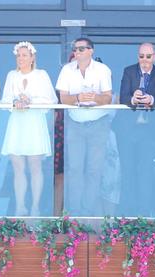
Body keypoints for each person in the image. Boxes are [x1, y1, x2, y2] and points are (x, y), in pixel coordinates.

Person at [56, 37, 113, 216]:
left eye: (81, 49)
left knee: (94, 169)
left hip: (98, 123)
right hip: (75, 123)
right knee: (74, 168)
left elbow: (108, 97)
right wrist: (79, 98)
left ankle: (87, 212)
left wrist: (93, 98)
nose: (77, 52)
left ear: (91, 51)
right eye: (76, 49)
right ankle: (74, 213)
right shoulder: (67, 69)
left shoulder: (103, 69)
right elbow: (63, 98)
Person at [0, 41, 56, 217]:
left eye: (25, 55)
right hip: (17, 123)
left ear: (32, 58)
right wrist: (14, 102)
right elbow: (3, 102)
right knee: (17, 166)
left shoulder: (41, 75)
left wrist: (30, 101)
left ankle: (35, 207)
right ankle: (20, 206)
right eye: (18, 55)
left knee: (35, 166)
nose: (21, 58)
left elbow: (51, 100)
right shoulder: (11, 75)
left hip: (34, 123)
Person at [116, 42, 155, 216]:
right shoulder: (128, 71)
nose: (144, 60)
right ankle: (127, 213)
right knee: (128, 170)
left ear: (154, 57)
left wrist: (151, 99)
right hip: (128, 129)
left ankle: (144, 212)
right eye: (141, 56)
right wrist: (133, 98)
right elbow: (122, 96)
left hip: (149, 130)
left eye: (148, 56)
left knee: (145, 171)